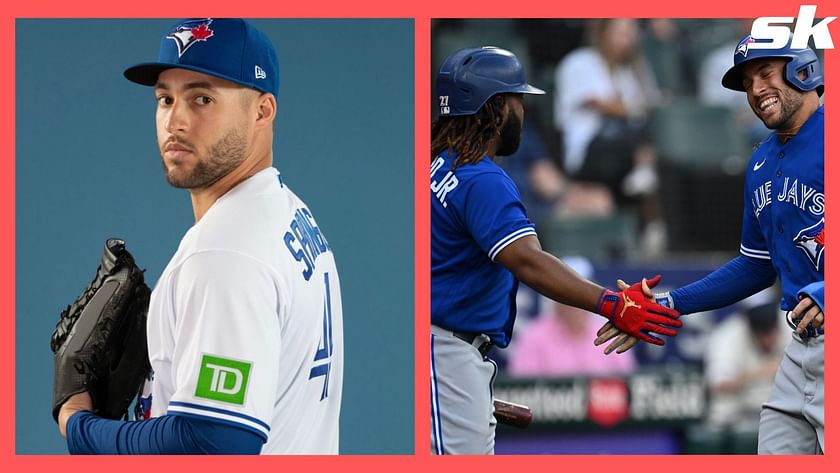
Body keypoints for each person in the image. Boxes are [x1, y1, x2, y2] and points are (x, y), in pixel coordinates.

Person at [55, 18, 344, 454]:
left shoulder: (225, 252)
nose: (176, 121)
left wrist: (78, 424)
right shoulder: (287, 210)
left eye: (202, 98)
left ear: (262, 110)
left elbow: (214, 445)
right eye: (165, 99)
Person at [430, 46, 681, 455]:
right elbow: (529, 260)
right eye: (517, 100)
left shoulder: (439, 163)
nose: (522, 112)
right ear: (494, 107)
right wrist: (611, 303)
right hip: (446, 353)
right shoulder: (480, 178)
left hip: (447, 354)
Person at [598, 34, 824, 454]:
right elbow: (755, 265)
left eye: (765, 73)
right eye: (747, 82)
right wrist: (669, 303)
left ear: (803, 69)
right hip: (802, 348)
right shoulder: (760, 162)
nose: (755, 90)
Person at [554, 19, 665, 254]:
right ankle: (643, 172)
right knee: (631, 126)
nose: (627, 39)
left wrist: (646, 105)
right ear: (602, 33)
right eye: (621, 32)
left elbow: (650, 107)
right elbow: (600, 104)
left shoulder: (633, 69)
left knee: (653, 130)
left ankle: (652, 221)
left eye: (631, 33)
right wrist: (641, 106)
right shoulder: (580, 62)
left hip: (625, 152)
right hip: (588, 153)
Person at [507, 257, 636, 377]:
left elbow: (628, 383)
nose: (576, 299)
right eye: (568, 292)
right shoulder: (533, 336)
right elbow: (522, 390)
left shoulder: (609, 335)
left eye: (582, 292)